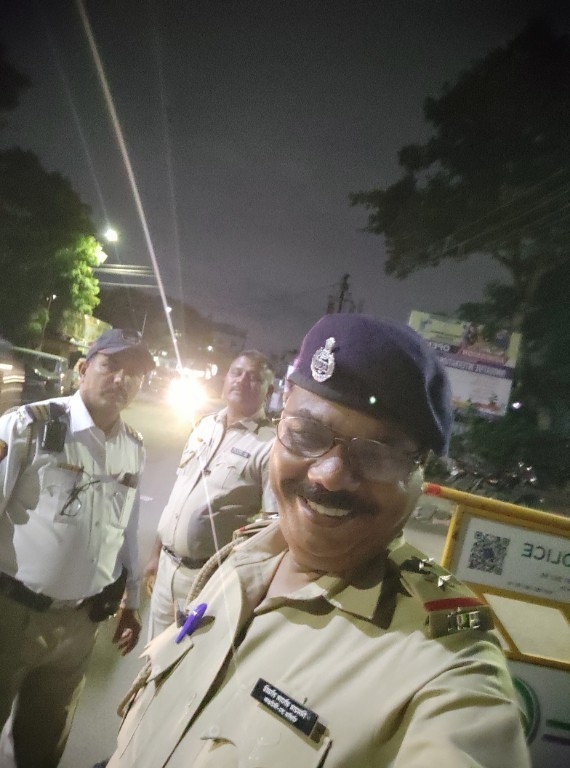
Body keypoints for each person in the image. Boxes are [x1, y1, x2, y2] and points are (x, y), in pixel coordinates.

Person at [105, 314, 530, 768]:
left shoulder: (446, 663)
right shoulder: (242, 555)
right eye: (306, 434)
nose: (328, 475)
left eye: (376, 455)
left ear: (419, 473)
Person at [0, 328, 155, 768]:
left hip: (80, 625)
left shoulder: (132, 447)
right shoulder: (29, 425)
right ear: (83, 368)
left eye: (135, 373)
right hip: (11, 615)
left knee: (42, 745)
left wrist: (132, 600)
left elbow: (126, 527)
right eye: (111, 365)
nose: (122, 379)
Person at [145, 349, 277, 638]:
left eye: (255, 378)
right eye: (237, 373)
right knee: (152, 654)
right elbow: (178, 494)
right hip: (166, 568)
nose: (242, 380)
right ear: (226, 379)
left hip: (206, 580)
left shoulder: (269, 446)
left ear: (269, 391)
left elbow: (271, 529)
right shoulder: (205, 425)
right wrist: (155, 554)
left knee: (188, 656)